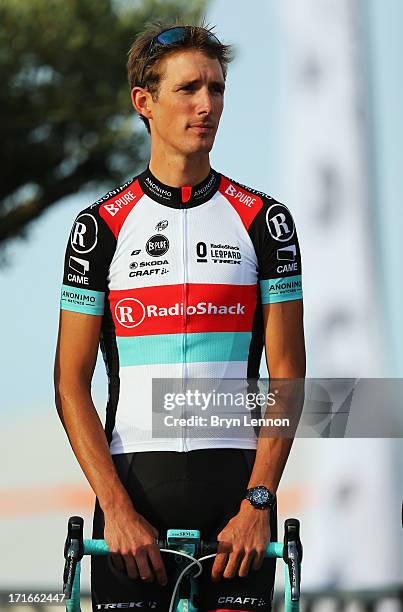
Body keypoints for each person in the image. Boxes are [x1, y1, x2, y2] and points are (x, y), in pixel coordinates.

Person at [54, 21, 306, 612]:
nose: (207, 105)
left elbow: (288, 374)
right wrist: (114, 509)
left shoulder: (265, 221)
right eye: (189, 89)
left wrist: (258, 504)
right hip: (133, 495)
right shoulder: (100, 228)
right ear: (144, 102)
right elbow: (70, 381)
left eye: (217, 89)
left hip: (236, 503)